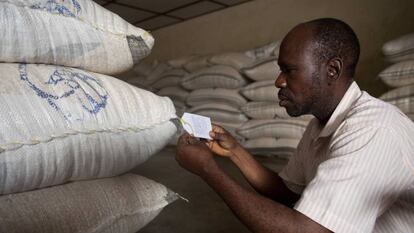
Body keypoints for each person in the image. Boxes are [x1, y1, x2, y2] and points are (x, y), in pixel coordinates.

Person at [175, 18, 414, 233]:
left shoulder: (372, 130)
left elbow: (307, 230)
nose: (279, 81)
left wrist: (208, 170)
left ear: (332, 70)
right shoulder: (319, 125)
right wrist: (234, 152)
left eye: (289, 70)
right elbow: (288, 191)